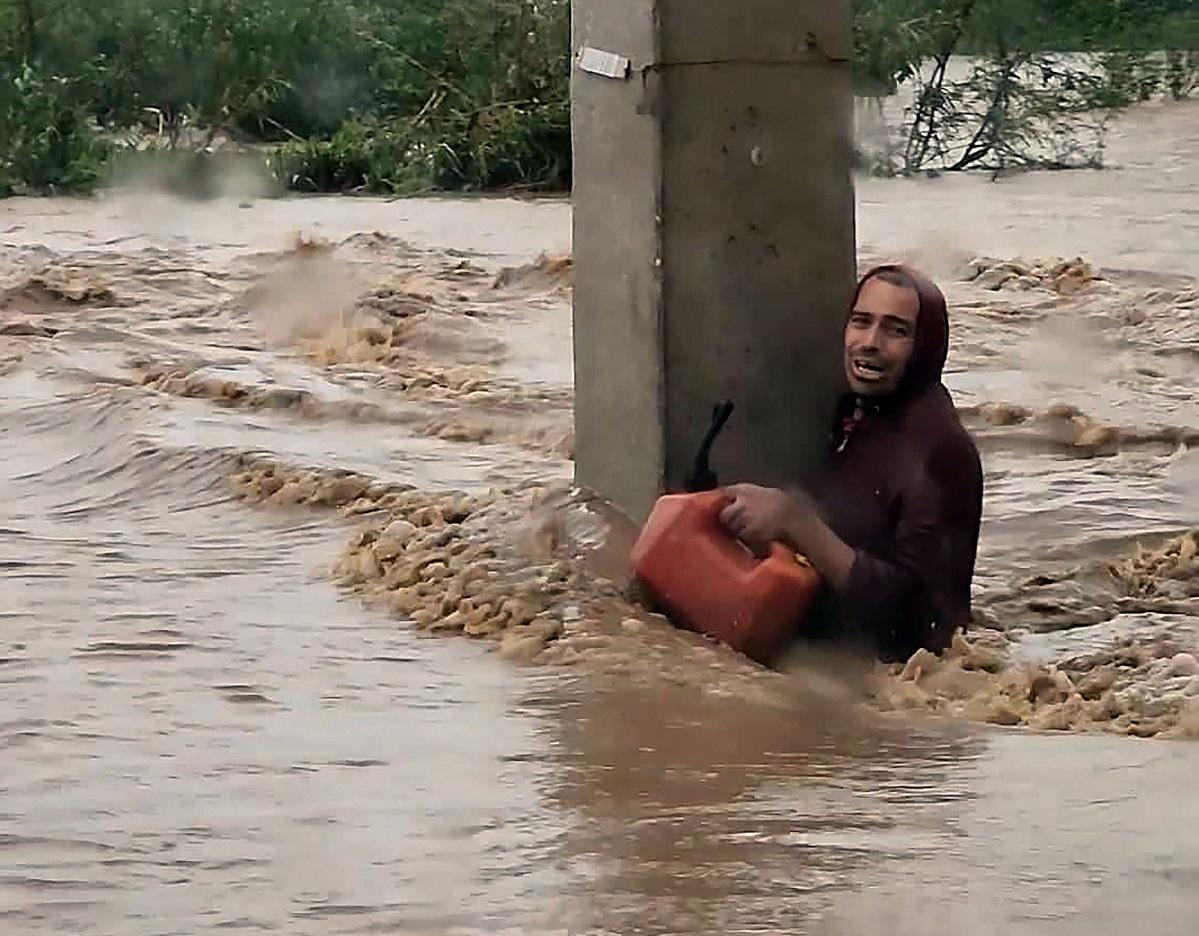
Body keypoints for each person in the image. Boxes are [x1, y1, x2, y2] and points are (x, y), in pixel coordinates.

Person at [718, 264, 983, 662]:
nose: (870, 342)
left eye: (896, 330)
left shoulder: (940, 452)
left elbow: (925, 626)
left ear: (925, 347)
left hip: (897, 689)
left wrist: (798, 523)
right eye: (861, 322)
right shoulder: (858, 414)